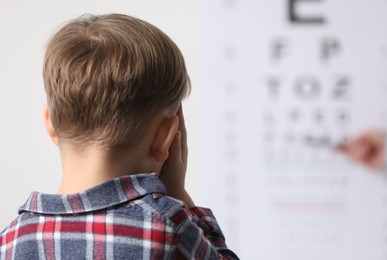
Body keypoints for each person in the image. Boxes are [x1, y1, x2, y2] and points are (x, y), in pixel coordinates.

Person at [0, 14, 239, 259]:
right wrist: (178, 192)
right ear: (166, 136)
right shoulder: (170, 229)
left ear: (50, 121)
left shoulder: (11, 239)